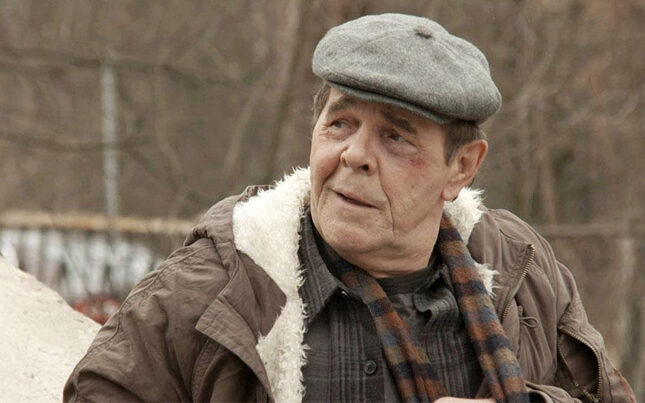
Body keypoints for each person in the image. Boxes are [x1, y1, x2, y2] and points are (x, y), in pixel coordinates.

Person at [64, 13, 635, 402]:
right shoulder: (217, 284)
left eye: (396, 137)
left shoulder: (523, 273)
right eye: (340, 123)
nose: (354, 155)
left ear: (461, 168)